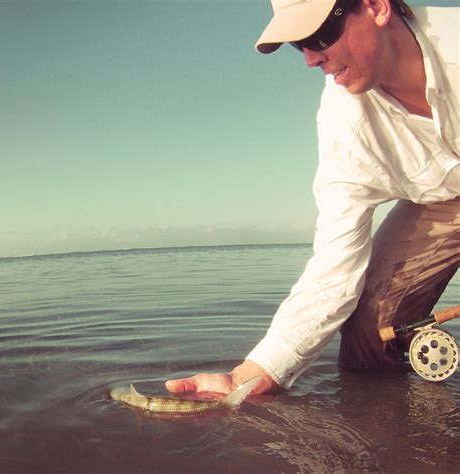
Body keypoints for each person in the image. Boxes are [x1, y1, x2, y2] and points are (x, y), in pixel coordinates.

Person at [166, 0, 460, 396]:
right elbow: (333, 266)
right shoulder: (344, 127)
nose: (309, 59)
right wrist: (248, 376)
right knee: (368, 331)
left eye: (318, 35)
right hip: (445, 199)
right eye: (296, 43)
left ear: (376, 6)